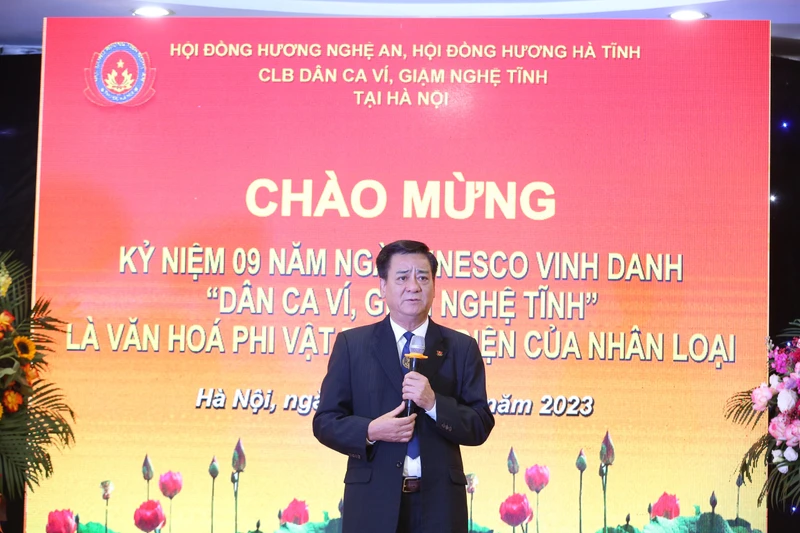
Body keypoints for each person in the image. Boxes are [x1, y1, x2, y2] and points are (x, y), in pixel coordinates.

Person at [313, 240, 494, 533]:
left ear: (434, 286)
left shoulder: (461, 348)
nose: (413, 286)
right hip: (372, 504)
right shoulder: (352, 345)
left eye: (423, 277)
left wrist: (434, 404)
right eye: (402, 277)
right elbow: (325, 422)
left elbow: (480, 424)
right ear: (383, 286)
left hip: (440, 506)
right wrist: (371, 431)